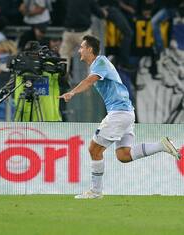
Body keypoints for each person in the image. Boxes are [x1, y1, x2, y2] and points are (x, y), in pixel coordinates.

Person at [59, 35, 181, 199]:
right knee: (124, 155)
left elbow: (89, 81)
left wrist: (72, 92)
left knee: (94, 149)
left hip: (119, 113)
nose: (79, 50)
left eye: (82, 47)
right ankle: (161, 145)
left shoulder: (100, 62)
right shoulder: (99, 64)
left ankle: (95, 192)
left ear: (89, 49)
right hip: (126, 113)